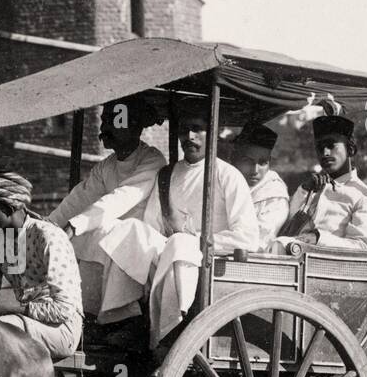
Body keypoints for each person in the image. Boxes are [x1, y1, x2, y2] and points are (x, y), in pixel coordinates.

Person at [99, 104, 260, 348]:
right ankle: (125, 318)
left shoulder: (228, 176)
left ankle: (174, 328)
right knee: (127, 229)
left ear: (213, 133)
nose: (190, 137)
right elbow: (151, 226)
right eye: (185, 131)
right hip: (169, 255)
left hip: (209, 262)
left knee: (181, 242)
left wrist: (197, 238)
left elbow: (247, 237)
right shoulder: (167, 175)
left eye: (198, 129)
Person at [48, 94, 166, 319]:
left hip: (145, 242)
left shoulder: (152, 160)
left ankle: (122, 317)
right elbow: (79, 198)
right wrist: (50, 226)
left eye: (115, 121)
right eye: (105, 121)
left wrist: (78, 224)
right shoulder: (106, 167)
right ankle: (84, 312)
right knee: (79, 238)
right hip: (114, 233)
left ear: (135, 127)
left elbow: (121, 198)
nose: (105, 127)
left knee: (113, 232)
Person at [0, 167, 83, 359]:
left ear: (9, 207)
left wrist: (6, 309)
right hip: (21, 322)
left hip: (61, 330)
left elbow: (63, 310)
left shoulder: (48, 236)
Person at [275, 100, 367, 251]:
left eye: (331, 145)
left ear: (350, 149)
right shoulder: (313, 187)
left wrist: (319, 239)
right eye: (320, 147)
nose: (325, 153)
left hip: (331, 267)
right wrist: (304, 190)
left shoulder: (363, 197)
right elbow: (286, 228)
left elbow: (363, 246)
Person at [229, 121, 289, 245]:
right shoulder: (227, 180)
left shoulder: (274, 195)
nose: (255, 170)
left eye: (262, 163)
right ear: (234, 158)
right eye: (248, 161)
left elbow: (260, 241)